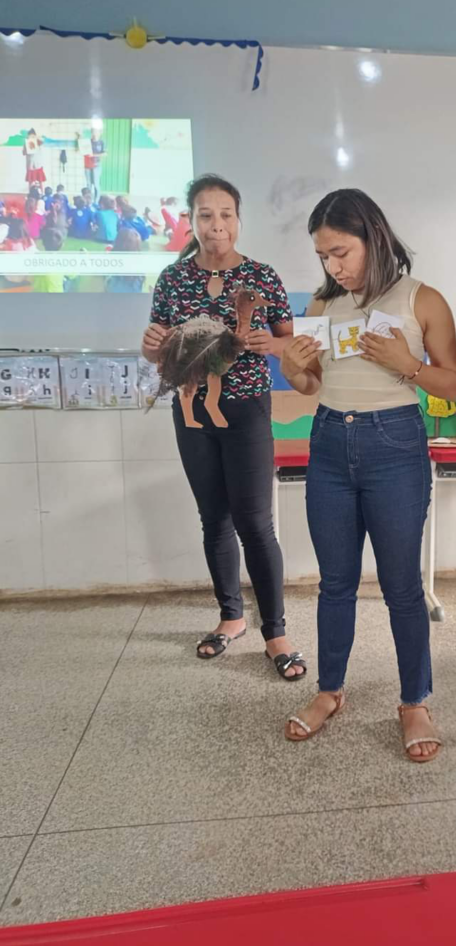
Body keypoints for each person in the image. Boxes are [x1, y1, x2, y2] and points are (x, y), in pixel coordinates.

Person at [280, 189, 456, 761]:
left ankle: (414, 702)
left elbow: (452, 385)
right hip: (331, 441)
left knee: (401, 586)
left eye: (341, 251)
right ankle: (329, 692)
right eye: (323, 256)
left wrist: (406, 365)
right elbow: (313, 388)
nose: (333, 266)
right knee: (335, 582)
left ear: (373, 236)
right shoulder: (322, 303)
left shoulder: (422, 300)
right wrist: (294, 368)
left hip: (395, 445)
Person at [141, 173, 305, 677]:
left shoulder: (261, 276)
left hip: (247, 410)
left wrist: (269, 345)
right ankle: (231, 617)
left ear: (239, 219)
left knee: (256, 523)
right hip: (191, 412)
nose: (217, 225)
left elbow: (292, 344)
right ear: (191, 221)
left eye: (226, 214)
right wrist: (149, 349)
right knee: (214, 519)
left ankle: (275, 631)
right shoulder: (172, 280)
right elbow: (161, 351)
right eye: (206, 215)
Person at [84, 128, 106, 200]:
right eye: (93, 132)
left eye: (96, 132)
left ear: (100, 133)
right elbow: (82, 150)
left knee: (96, 184)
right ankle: (88, 201)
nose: (94, 134)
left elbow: (104, 154)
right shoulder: (87, 142)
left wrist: (94, 155)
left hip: (96, 165)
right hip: (87, 165)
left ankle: (96, 201)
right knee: (88, 185)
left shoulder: (102, 142)